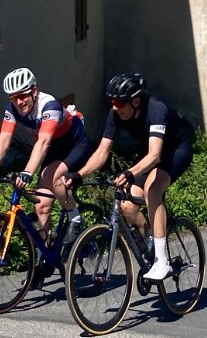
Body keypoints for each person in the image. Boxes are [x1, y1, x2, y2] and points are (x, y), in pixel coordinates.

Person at [63, 72, 195, 281]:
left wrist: (130, 172)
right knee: (127, 204)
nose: (115, 107)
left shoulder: (156, 109)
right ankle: (150, 242)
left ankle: (162, 261)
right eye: (112, 102)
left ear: (135, 101)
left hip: (177, 149)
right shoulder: (115, 114)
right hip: (152, 152)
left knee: (153, 189)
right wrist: (79, 174)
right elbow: (102, 152)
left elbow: (155, 155)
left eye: (119, 103)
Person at [0, 67, 93, 248]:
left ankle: (75, 219)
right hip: (54, 148)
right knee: (41, 207)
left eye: (23, 96)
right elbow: (4, 138)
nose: (19, 102)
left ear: (34, 91)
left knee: (53, 176)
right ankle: (44, 257)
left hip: (75, 145)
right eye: (14, 98)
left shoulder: (49, 105)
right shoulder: (13, 109)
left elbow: (43, 141)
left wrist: (28, 172)